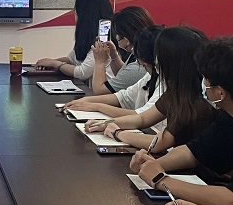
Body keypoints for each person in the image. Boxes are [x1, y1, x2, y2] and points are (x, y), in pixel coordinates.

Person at [131, 34, 233, 205]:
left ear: (220, 93)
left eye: (205, 78)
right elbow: (193, 152)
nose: (203, 84)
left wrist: (160, 180)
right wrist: (152, 164)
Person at [87, 26, 216, 154]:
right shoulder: (177, 91)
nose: (155, 61)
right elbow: (143, 118)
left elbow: (160, 143)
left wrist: (117, 133)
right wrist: (104, 123)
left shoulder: (197, 103)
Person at [62, 25, 165, 124]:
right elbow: (123, 96)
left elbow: (142, 116)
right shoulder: (149, 74)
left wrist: (96, 106)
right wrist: (87, 100)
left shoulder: (164, 83)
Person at [35, 0, 114, 83]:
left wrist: (54, 63)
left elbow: (82, 73)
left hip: (101, 90)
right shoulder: (87, 36)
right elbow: (71, 59)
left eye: (76, 11)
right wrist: (49, 63)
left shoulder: (102, 42)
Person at [89, 6, 152, 94]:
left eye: (117, 33)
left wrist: (100, 62)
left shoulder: (139, 66)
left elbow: (100, 91)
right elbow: (123, 75)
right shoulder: (140, 51)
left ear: (126, 40)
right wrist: (113, 55)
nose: (116, 37)